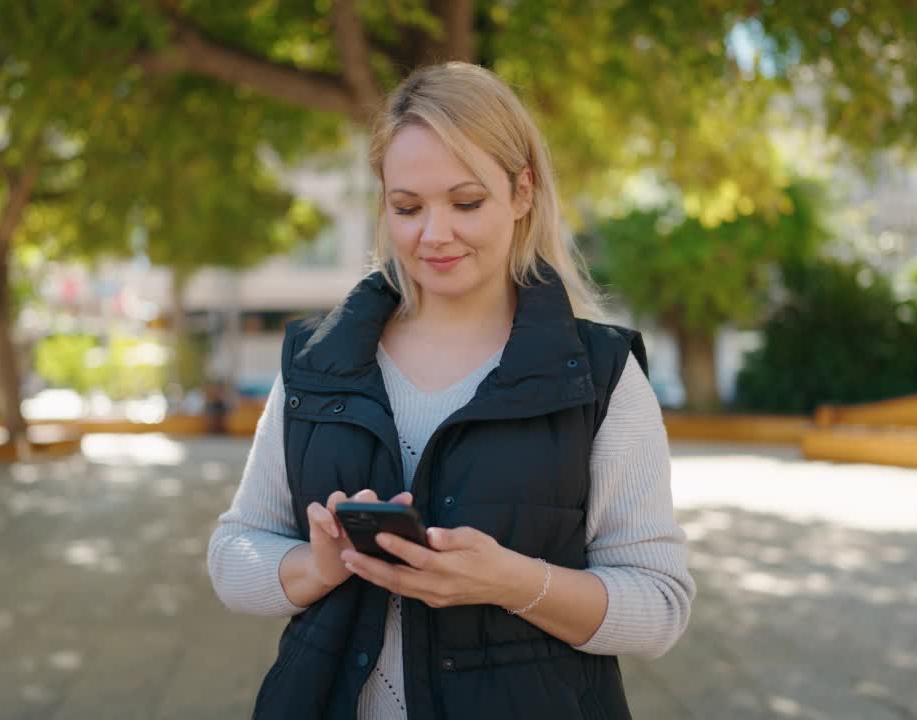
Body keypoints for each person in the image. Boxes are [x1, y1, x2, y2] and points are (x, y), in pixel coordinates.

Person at [208, 61, 695, 720]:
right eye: (407, 207)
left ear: (522, 192)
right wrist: (317, 566)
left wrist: (512, 582)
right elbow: (234, 553)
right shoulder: (317, 361)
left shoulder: (601, 373)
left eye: (466, 202)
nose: (433, 235)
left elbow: (660, 606)